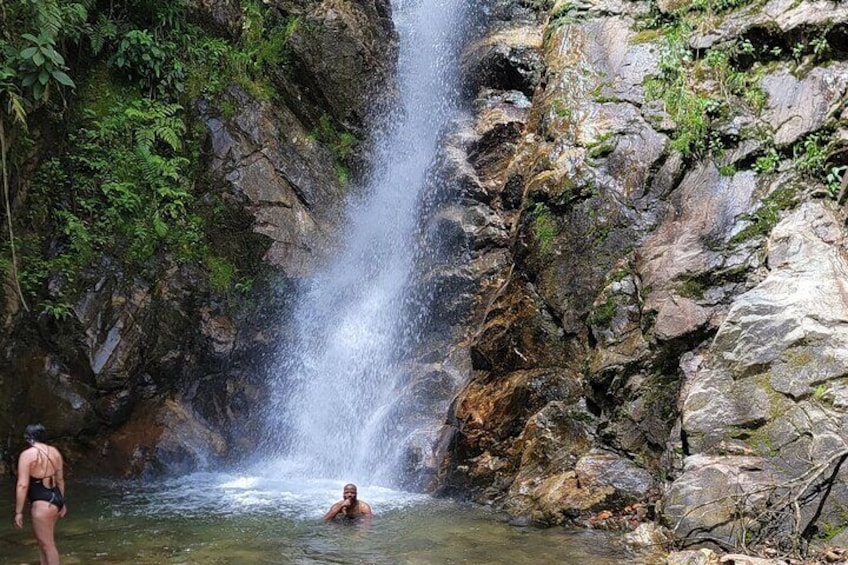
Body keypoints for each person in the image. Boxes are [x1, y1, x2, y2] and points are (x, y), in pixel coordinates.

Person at [15, 424, 67, 565]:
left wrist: (18, 512)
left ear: (28, 438)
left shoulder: (27, 455)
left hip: (42, 503)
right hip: (55, 498)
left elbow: (22, 485)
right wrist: (62, 502)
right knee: (43, 543)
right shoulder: (55, 452)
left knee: (48, 545)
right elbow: (60, 479)